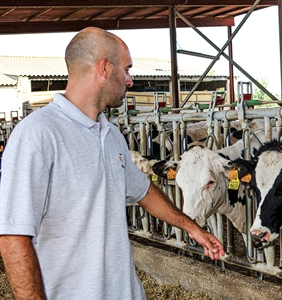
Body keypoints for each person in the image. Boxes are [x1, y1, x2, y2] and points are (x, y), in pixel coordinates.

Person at [0, 27, 225, 300]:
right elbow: (13, 236)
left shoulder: (111, 135)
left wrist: (193, 228)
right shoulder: (38, 133)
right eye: (126, 70)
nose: (130, 80)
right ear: (105, 68)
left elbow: (142, 190)